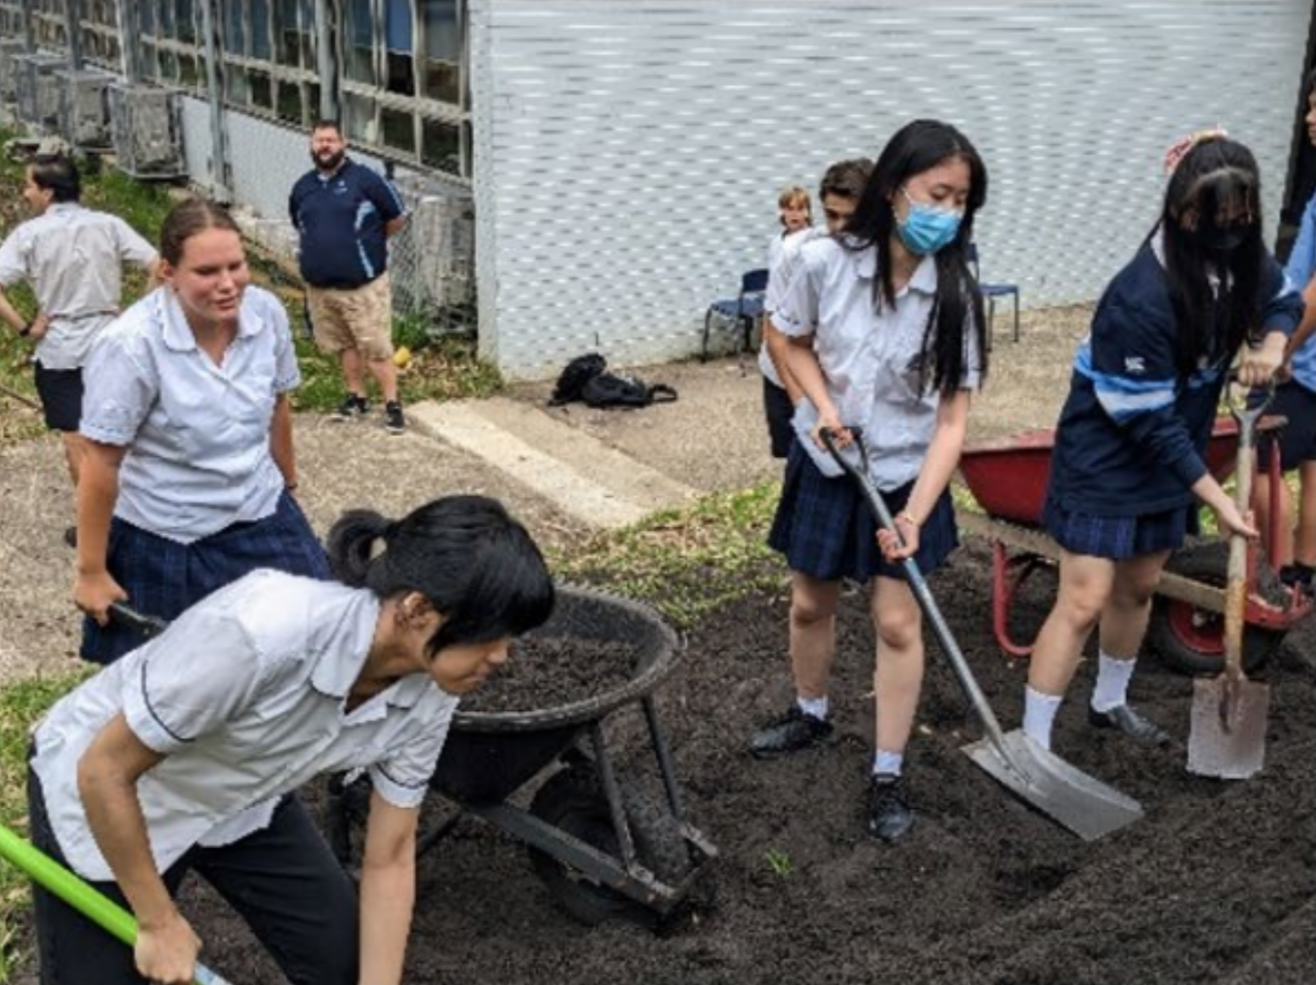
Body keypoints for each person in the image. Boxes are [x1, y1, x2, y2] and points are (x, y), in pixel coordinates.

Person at [29, 494, 555, 985]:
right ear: (417, 610)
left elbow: (390, 855)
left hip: (241, 795)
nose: (502, 657)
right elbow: (104, 769)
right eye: (493, 635)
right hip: (115, 794)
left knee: (352, 968)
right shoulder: (262, 634)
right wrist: (157, 921)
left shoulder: (432, 691)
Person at [1021, 132, 1302, 754]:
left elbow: (1282, 299)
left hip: (1174, 452)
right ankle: (1033, 744)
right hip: (1107, 456)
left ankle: (1109, 702)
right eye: (1217, 220)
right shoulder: (1139, 294)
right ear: (1182, 211)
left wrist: (1274, 344)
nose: (1230, 231)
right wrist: (1218, 498)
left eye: (1241, 218)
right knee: (1086, 596)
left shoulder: (1242, 259)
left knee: (1141, 584)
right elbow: (1148, 422)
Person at [749, 120, 989, 843]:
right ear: (894, 189)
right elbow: (787, 337)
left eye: (961, 199)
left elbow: (951, 423)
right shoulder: (819, 260)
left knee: (895, 619)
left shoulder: (955, 296)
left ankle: (887, 768)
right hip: (830, 463)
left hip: (907, 471)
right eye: (936, 193)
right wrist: (818, 408)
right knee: (809, 602)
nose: (946, 210)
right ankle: (811, 711)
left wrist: (915, 513)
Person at [73, 198, 328, 665]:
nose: (228, 284)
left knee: (312, 640)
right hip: (166, 529)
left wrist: (288, 486)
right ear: (169, 272)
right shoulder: (132, 345)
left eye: (236, 265)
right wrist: (91, 570)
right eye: (207, 272)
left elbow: (277, 405)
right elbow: (100, 461)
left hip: (257, 506)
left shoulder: (266, 314)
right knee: (164, 676)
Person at [0, 154, 159, 546]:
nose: (26, 193)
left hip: (59, 349)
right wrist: (136, 313)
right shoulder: (109, 225)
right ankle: (138, 515)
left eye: (29, 186)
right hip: (110, 341)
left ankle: (99, 525)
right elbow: (160, 265)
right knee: (121, 431)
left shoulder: (28, 235)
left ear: (48, 191)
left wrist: (25, 327)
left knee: (75, 439)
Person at [290, 120, 409, 434]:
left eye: (330, 140)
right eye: (319, 141)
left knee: (376, 348)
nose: (324, 146)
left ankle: (392, 405)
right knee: (344, 344)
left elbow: (396, 218)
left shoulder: (366, 180)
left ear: (344, 144)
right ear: (311, 145)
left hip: (363, 287)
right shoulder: (303, 187)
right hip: (320, 288)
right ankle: (357, 397)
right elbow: (300, 224)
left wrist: (368, 245)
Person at [759, 160, 874, 458]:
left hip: (831, 387)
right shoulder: (800, 255)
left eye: (850, 217)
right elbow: (777, 336)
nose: (840, 227)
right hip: (786, 374)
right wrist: (804, 407)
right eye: (832, 215)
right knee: (800, 455)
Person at [1253, 69, 1316, 593]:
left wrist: (1281, 348)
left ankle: (1274, 578)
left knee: (1258, 460)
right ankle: (1304, 575)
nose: (1310, 119)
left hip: (1307, 362)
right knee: (1314, 464)